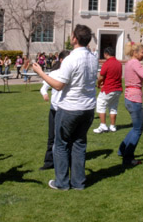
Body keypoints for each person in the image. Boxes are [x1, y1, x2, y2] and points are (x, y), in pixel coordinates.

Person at [32, 24, 98, 190]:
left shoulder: (71, 59)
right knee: (79, 144)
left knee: (61, 145)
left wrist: (41, 73)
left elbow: (59, 85)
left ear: (75, 38)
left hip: (70, 108)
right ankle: (78, 182)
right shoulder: (92, 57)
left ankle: (61, 182)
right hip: (88, 109)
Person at [39, 50, 70, 170]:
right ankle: (49, 161)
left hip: (67, 110)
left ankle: (65, 160)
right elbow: (43, 88)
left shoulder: (72, 73)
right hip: (54, 109)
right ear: (61, 60)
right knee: (51, 136)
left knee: (65, 137)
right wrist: (44, 94)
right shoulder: (54, 74)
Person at [93, 47, 123, 133]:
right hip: (118, 88)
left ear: (106, 54)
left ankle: (103, 125)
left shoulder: (107, 64)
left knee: (100, 104)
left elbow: (101, 77)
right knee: (113, 107)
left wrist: (99, 84)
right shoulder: (119, 64)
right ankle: (112, 126)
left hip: (109, 88)